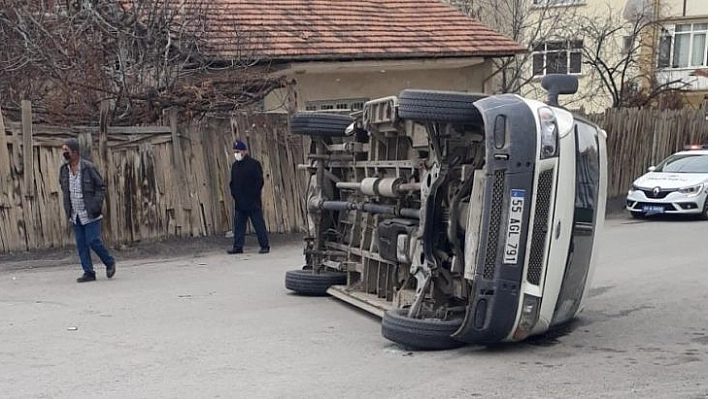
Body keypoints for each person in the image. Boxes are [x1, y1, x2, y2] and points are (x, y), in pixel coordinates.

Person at [59, 138, 116, 283]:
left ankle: (109, 262)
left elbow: (100, 187)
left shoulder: (88, 168)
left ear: (75, 152)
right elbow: (64, 188)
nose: (64, 154)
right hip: (75, 213)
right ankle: (88, 272)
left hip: (90, 212)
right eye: (63, 151)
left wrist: (96, 204)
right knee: (81, 244)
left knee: (93, 241)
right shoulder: (64, 170)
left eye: (67, 151)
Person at [228, 140, 270, 254]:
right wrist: (235, 194)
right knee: (238, 226)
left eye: (238, 151)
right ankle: (238, 246)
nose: (236, 154)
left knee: (258, 224)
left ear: (244, 151)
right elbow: (232, 182)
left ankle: (264, 245)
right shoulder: (235, 166)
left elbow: (259, 181)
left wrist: (253, 194)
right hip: (239, 202)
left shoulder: (254, 164)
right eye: (235, 151)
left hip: (252, 201)